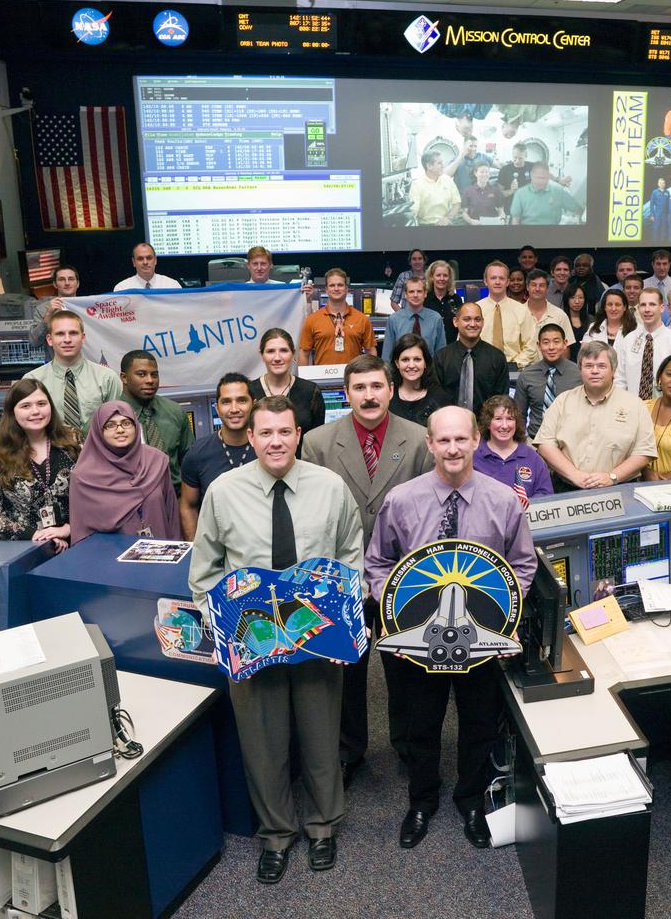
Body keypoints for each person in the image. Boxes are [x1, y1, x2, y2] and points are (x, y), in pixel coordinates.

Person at [189, 396, 363, 882]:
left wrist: (347, 618)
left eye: (284, 432)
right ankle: (276, 835)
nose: (275, 442)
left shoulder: (330, 488)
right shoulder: (223, 492)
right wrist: (221, 629)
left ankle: (323, 827)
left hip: (318, 636)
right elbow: (203, 573)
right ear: (251, 437)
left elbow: (351, 556)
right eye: (265, 433)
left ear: (299, 434)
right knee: (262, 743)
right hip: (253, 640)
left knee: (321, 734)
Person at [365, 406, 537, 851]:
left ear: (477, 440)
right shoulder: (402, 500)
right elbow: (377, 562)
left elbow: (521, 563)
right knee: (421, 726)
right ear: (429, 444)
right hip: (418, 643)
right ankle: (421, 801)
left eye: (461, 439)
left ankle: (471, 801)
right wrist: (397, 615)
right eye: (443, 440)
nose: (453, 448)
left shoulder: (503, 501)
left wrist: (503, 615)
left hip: (480, 641)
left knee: (479, 724)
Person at [302, 354, 435, 784]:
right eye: (359, 388)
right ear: (346, 394)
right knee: (347, 671)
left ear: (391, 389)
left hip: (404, 576)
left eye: (377, 386)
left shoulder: (418, 439)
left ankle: (409, 744)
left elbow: (432, 508)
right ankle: (347, 750)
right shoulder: (319, 443)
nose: (369, 395)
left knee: (405, 669)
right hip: (343, 576)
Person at [534, 342, 657, 492]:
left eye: (601, 366)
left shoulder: (635, 405)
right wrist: (575, 475)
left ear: (613, 370)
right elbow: (545, 444)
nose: (594, 371)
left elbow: (644, 452)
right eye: (588, 366)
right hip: (567, 488)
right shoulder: (563, 401)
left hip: (620, 489)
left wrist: (612, 477)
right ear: (580, 369)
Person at [0, 379, 79, 550]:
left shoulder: (73, 440)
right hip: (26, 546)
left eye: (41, 403)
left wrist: (69, 528)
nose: (35, 411)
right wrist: (38, 536)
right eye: (25, 406)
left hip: (77, 540)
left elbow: (97, 495)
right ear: (12, 412)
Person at [69, 401, 180, 544]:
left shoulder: (156, 461)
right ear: (98, 431)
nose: (120, 430)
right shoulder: (84, 476)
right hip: (111, 560)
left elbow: (172, 515)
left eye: (126, 423)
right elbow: (81, 533)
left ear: (136, 426)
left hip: (161, 556)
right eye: (110, 425)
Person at [180, 373, 255, 540]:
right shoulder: (197, 453)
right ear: (217, 408)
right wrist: (195, 551)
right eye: (226, 401)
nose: (234, 409)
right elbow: (188, 506)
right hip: (215, 549)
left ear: (253, 405)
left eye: (242, 400)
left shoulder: (268, 448)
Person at [24, 310, 121, 436]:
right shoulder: (32, 380)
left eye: (73, 333)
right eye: (60, 334)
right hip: (50, 452)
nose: (67, 339)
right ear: (49, 339)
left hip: (98, 452)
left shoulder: (107, 378)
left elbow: (116, 425)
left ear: (83, 338)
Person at [119, 350, 192, 494]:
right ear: (124, 378)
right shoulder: (109, 418)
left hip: (175, 498)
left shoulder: (175, 411)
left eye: (154, 374)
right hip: (131, 502)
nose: (150, 380)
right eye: (141, 374)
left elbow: (189, 462)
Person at [433, 302, 509, 416]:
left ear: (483, 322)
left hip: (486, 427)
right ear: (455, 322)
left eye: (477, 319)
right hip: (448, 425)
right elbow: (435, 397)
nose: (473, 324)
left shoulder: (497, 358)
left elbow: (501, 400)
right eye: (467, 319)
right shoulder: (441, 358)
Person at [474, 395, 554, 503]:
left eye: (510, 419)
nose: (505, 426)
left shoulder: (533, 458)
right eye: (498, 419)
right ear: (488, 423)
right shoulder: (473, 457)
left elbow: (546, 494)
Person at [247, 328, 326, 434]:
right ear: (262, 355)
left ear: (293, 353)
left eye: (283, 350)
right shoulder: (249, 391)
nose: (277, 358)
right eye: (270, 351)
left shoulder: (310, 391)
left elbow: (318, 439)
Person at [514, 323, 581, 440]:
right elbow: (519, 415)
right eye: (546, 342)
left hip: (570, 441)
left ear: (565, 344)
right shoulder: (526, 376)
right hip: (535, 441)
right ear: (538, 346)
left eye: (556, 342)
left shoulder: (579, 374)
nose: (551, 347)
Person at [615, 288, 671, 399]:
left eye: (652, 304)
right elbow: (620, 379)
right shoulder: (628, 340)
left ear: (662, 308)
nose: (647, 309)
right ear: (638, 309)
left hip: (663, 409)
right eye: (643, 305)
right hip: (632, 407)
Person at [299, 268, 377, 366]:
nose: (336, 289)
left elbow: (371, 351)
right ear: (326, 290)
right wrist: (304, 380)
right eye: (332, 285)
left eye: (340, 285)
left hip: (353, 377)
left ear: (347, 289)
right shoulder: (312, 320)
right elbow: (304, 353)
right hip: (322, 378)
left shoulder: (362, 319)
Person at [478, 261, 537, 367]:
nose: (497, 282)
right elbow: (465, 342)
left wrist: (513, 365)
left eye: (501, 278)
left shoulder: (522, 311)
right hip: (481, 369)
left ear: (508, 282)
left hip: (514, 371)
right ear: (485, 281)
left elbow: (531, 345)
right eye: (493, 278)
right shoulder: (476, 310)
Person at [389, 334, 452, 427]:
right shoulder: (387, 397)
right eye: (405, 360)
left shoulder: (441, 398)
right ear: (397, 363)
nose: (411, 365)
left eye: (417, 359)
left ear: (425, 363)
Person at [382, 275, 446, 360]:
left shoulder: (435, 319)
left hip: (429, 371)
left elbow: (441, 353)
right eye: (411, 292)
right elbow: (387, 355)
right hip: (401, 371)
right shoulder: (394, 320)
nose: (415, 295)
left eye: (419, 291)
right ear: (405, 294)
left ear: (425, 293)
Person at [510, 162, 582, 226]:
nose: (540, 182)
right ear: (531, 175)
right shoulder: (520, 194)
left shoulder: (559, 192)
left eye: (543, 178)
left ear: (548, 177)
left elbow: (578, 210)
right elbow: (515, 220)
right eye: (537, 178)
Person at [29, 264, 80, 348]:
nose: (67, 283)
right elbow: (34, 342)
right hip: (56, 360)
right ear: (55, 284)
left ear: (77, 283)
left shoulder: (88, 308)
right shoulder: (42, 309)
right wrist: (48, 315)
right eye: (61, 279)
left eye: (71, 279)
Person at [409, 149, 461, 225]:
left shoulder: (447, 180)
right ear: (429, 166)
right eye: (439, 163)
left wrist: (448, 218)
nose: (443, 166)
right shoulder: (417, 185)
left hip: (446, 222)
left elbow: (457, 203)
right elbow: (413, 211)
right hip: (426, 225)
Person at [524, 270, 574, 346]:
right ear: (527, 287)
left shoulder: (560, 315)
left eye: (542, 285)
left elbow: (565, 348)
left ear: (547, 288)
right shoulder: (517, 313)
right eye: (534, 285)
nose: (537, 289)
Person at [425, 259, 464, 344]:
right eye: (438, 275)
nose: (442, 279)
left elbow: (461, 325)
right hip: (430, 349)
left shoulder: (456, 299)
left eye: (445, 275)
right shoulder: (424, 299)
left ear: (449, 278)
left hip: (452, 348)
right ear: (431, 277)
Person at [115, 242, 179, 290]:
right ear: (134, 262)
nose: (145, 262)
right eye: (140, 259)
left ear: (155, 260)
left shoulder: (172, 285)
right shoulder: (122, 288)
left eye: (149, 258)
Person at [497, 142, 531, 213]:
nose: (517, 161)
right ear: (512, 155)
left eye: (520, 158)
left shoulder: (532, 167)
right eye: (515, 158)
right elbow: (499, 195)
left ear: (526, 155)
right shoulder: (505, 170)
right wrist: (511, 191)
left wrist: (558, 179)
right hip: (511, 210)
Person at [564, 283, 591, 359]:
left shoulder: (591, 320)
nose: (577, 301)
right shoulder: (561, 319)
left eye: (580, 297)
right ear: (567, 299)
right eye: (572, 298)